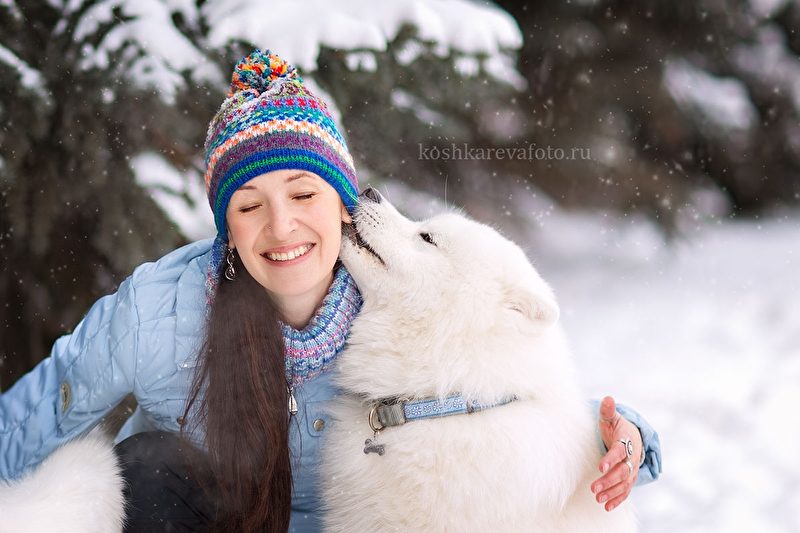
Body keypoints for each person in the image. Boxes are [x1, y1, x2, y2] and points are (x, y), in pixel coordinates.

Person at [0, 50, 662, 532]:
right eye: (249, 205)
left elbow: (494, 397)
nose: (282, 226)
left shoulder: (397, 303)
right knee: (147, 463)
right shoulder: (160, 309)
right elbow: (34, 415)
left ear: (344, 204)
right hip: (216, 521)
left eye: (303, 194)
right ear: (226, 229)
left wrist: (627, 435)